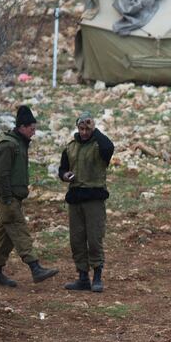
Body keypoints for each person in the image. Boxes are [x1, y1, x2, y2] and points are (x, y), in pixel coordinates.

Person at [0, 105, 58, 286]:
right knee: (19, 230)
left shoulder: (19, 143)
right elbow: (1, 174)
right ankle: (35, 267)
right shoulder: (8, 145)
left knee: (5, 236)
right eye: (32, 129)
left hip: (14, 197)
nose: (34, 133)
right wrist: (8, 198)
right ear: (22, 127)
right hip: (8, 198)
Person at [57, 113, 114, 293]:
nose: (83, 132)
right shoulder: (71, 147)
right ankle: (83, 277)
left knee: (94, 239)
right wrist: (65, 176)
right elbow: (62, 170)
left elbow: (109, 147)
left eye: (87, 129)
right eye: (81, 129)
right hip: (75, 200)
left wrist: (95, 130)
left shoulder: (99, 145)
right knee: (77, 240)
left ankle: (97, 277)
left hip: (94, 199)